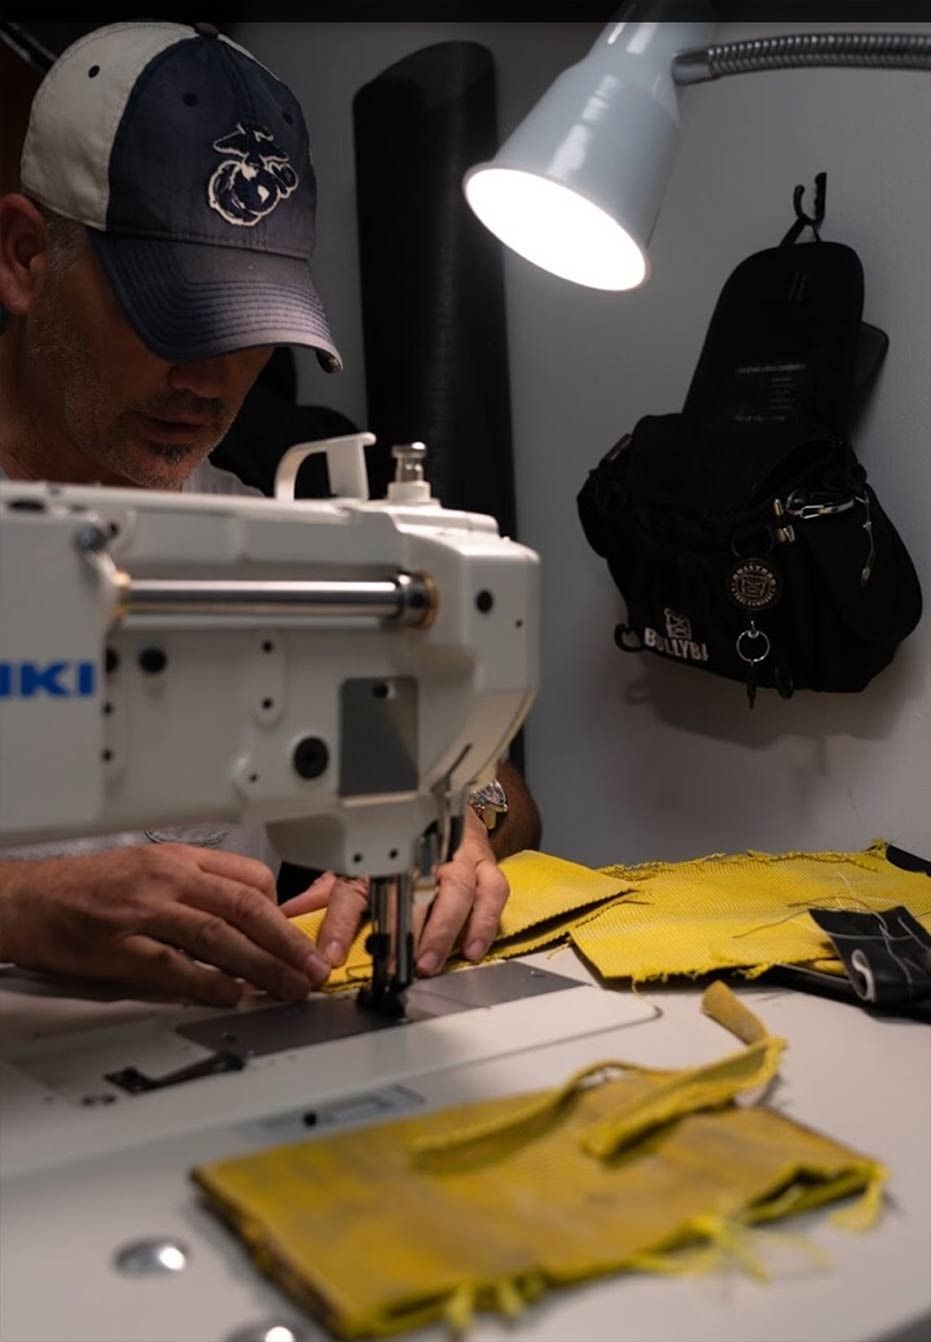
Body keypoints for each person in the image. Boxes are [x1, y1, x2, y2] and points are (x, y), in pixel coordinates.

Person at [0, 21, 541, 1008]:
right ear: (27, 257)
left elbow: (446, 773)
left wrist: (450, 821)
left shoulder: (273, 530)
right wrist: (18, 905)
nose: (211, 380)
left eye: (249, 327)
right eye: (167, 316)